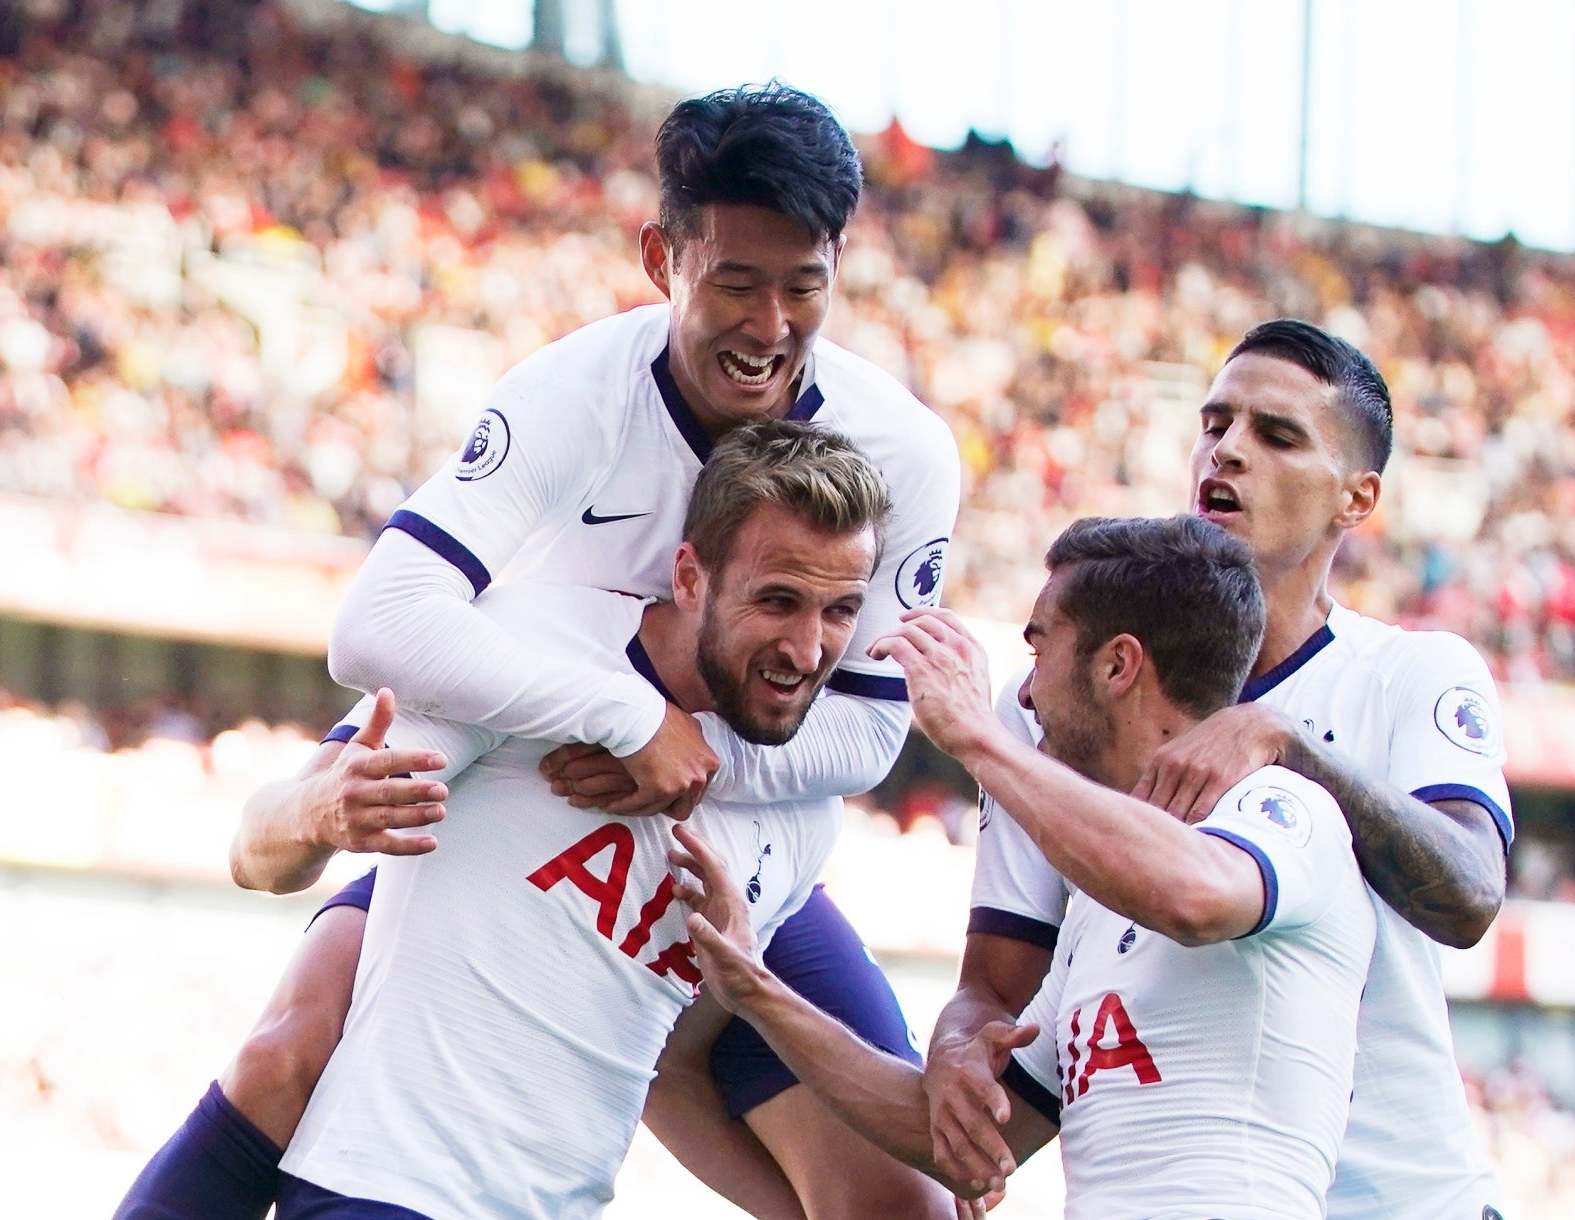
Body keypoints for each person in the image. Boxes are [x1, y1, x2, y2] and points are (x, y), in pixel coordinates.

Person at [115, 83, 959, 1220]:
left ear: (840, 266)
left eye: (802, 287)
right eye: (735, 284)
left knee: (903, 1204)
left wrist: (686, 750)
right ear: (664, 256)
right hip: (519, 748)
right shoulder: (574, 395)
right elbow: (380, 623)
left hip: (733, 811)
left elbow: (864, 723)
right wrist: (618, 718)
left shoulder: (900, 449)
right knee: (291, 1045)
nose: (768, 328)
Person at [122, 422, 889, 1218]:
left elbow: (666, 1075)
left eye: (840, 611)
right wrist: (320, 813)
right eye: (777, 601)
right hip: (390, 1190)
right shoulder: (532, 646)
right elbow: (257, 850)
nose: (807, 649)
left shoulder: (804, 812)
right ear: (690, 577)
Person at [929, 320, 1511, 1216]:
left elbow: (1469, 896)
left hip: (1399, 1198)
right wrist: (957, 1049)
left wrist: (1292, 745)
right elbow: (994, 985)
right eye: (1214, 423)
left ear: (1356, 500)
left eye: (1275, 435)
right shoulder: (1051, 699)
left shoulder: (1411, 675)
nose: (1226, 450)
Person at [676, 514, 1378, 1217]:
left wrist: (976, 737)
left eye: (1039, 651)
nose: (1025, 693)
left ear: (1116, 666)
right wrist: (753, 986)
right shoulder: (1093, 912)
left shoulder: (1282, 808)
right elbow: (948, 1140)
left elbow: (1193, 898)